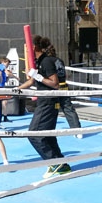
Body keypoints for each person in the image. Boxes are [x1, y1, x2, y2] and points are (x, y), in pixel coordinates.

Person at [18, 35, 70, 178]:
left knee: (34, 134)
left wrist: (38, 77)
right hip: (46, 101)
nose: (26, 50)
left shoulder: (46, 61)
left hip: (48, 102)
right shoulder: (39, 62)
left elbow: (55, 83)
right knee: (47, 135)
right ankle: (61, 163)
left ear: (34, 47)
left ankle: (53, 163)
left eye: (27, 47)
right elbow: (31, 82)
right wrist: (15, 91)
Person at [43, 40, 82, 138]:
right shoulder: (60, 60)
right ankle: (77, 130)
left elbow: (49, 75)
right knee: (68, 108)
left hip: (53, 87)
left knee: (50, 108)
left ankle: (47, 130)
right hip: (63, 86)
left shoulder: (47, 61)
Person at [0, 56, 16, 122]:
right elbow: (8, 73)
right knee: (0, 104)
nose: (7, 66)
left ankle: (5, 117)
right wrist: (16, 77)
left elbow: (5, 80)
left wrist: (8, 76)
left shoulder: (3, 71)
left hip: (2, 87)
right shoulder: (1, 67)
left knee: (4, 102)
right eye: (7, 64)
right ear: (3, 62)